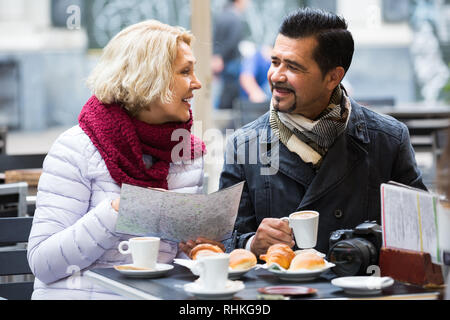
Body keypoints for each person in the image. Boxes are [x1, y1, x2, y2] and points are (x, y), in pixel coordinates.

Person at [27, 20, 223, 300]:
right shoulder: (76, 148)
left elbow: (174, 260)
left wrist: (196, 248)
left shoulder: (187, 155)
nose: (197, 82)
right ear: (148, 79)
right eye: (185, 71)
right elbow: (43, 264)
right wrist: (119, 210)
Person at [219, 8, 427, 257]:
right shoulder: (244, 145)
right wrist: (252, 243)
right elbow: (220, 240)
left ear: (333, 77)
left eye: (293, 67)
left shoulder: (388, 140)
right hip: (277, 293)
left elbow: (420, 232)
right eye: (275, 62)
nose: (276, 75)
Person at [212, 0, 249, 109]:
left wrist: (216, 56)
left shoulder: (221, 16)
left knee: (223, 89)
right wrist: (221, 57)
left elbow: (214, 39)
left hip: (220, 61)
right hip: (231, 62)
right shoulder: (235, 18)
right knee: (231, 93)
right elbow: (233, 41)